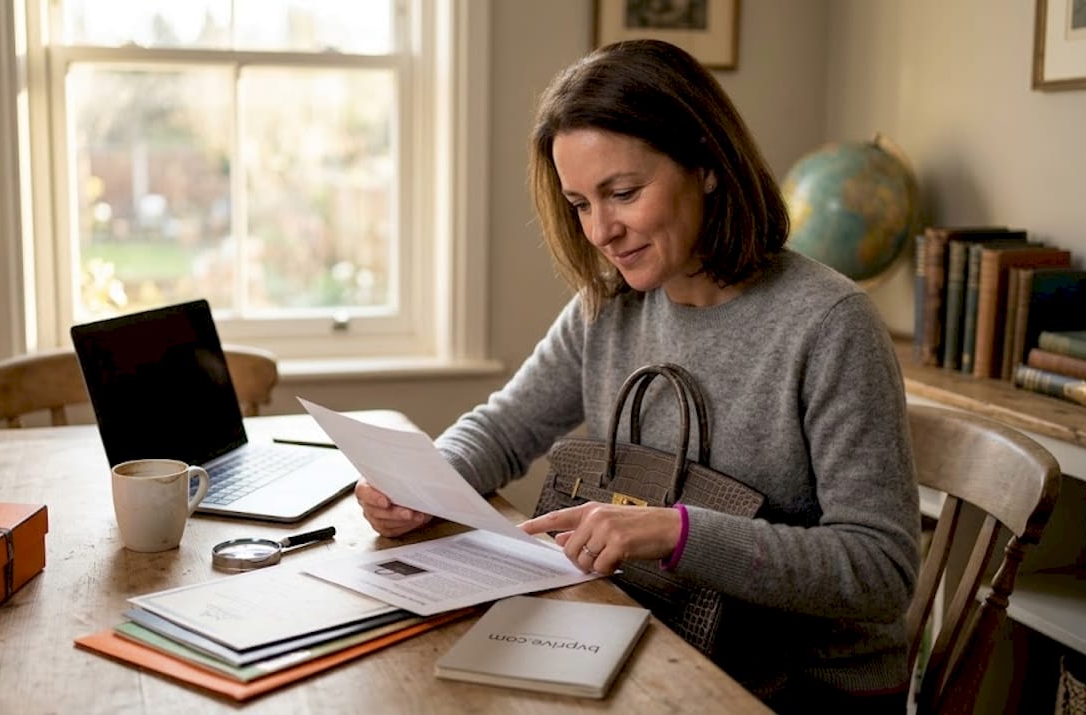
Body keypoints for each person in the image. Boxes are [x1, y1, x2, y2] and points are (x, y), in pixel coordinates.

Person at [355, 39, 919, 713]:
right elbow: (507, 425)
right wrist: (425, 481)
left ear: (706, 164)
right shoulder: (609, 307)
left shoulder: (830, 324)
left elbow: (881, 569)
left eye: (622, 193)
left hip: (801, 688)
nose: (600, 230)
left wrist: (677, 532)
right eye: (579, 204)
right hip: (657, 637)